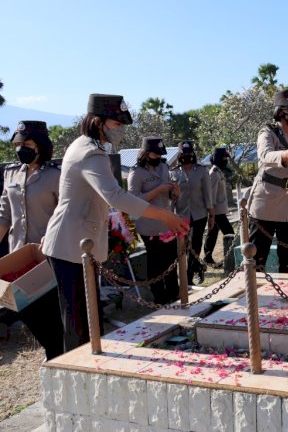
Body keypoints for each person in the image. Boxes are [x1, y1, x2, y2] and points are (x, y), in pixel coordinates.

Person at [42, 94, 188, 353]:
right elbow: (116, 196)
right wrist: (164, 215)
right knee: (78, 320)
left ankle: (86, 363)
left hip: (78, 243)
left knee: (88, 316)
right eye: (116, 123)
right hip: (70, 244)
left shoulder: (87, 147)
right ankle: (77, 369)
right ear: (98, 122)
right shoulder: (90, 153)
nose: (120, 130)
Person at [0, 120, 64, 359]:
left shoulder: (57, 176)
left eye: (27, 143)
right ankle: (54, 352)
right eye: (18, 144)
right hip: (19, 259)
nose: (21, 148)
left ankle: (57, 356)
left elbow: (66, 213)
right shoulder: (11, 174)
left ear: (41, 144)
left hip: (49, 257)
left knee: (52, 317)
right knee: (28, 312)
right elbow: (4, 214)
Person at [244, 88, 288, 274]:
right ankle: (255, 300)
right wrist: (284, 154)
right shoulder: (268, 132)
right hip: (265, 203)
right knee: (257, 259)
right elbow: (264, 155)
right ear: (281, 112)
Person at [127, 136, 180, 304]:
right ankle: (160, 297)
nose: (158, 157)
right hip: (149, 226)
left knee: (172, 260)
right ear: (146, 153)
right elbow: (132, 201)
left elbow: (171, 196)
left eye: (160, 154)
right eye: (155, 155)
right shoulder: (136, 172)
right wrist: (158, 190)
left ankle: (174, 293)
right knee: (157, 264)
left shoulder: (164, 167)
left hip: (167, 224)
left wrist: (175, 193)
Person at [170, 140, 214, 285]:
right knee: (182, 246)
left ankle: (190, 276)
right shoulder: (174, 172)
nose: (187, 156)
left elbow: (208, 194)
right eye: (184, 153)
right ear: (179, 154)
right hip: (181, 215)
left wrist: (211, 214)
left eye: (189, 153)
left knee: (196, 246)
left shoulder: (201, 170)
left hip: (199, 214)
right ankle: (184, 274)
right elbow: (171, 198)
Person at [203, 147, 235, 268]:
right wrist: (211, 212)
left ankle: (208, 257)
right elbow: (210, 195)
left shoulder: (219, 171)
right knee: (230, 233)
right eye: (224, 157)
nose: (226, 160)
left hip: (220, 210)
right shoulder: (214, 173)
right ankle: (230, 260)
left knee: (213, 234)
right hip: (216, 211)